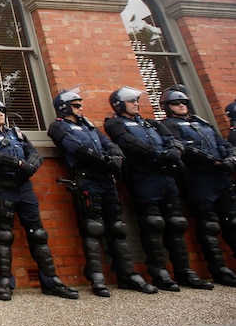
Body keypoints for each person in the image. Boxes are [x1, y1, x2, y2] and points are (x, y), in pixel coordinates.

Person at [47, 88, 157, 297]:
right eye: (76, 105)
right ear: (64, 107)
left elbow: (109, 144)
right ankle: (97, 277)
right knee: (93, 227)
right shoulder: (58, 127)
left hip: (106, 180)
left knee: (117, 227)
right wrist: (104, 161)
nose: (81, 108)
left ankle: (126, 274)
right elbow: (76, 148)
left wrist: (115, 157)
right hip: (87, 180)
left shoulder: (88, 125)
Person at [103, 86, 212, 291]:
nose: (136, 104)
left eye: (137, 101)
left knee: (177, 223)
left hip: (166, 177)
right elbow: (128, 142)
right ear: (119, 104)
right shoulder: (115, 122)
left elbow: (173, 139)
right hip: (144, 177)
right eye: (131, 101)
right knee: (153, 224)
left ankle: (184, 270)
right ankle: (159, 271)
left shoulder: (150, 123)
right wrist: (157, 154)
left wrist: (174, 151)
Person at [0, 95, 78, 301]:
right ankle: (4, 281)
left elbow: (34, 153)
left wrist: (31, 166)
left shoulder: (16, 133)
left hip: (24, 188)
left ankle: (50, 280)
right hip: (2, 188)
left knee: (38, 233)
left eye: (2, 110)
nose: (1, 113)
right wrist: (18, 164)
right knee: (3, 235)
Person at [159, 86, 236, 287]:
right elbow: (183, 148)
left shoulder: (201, 122)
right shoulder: (169, 125)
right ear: (168, 107)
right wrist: (213, 161)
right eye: (176, 103)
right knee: (208, 224)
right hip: (199, 179)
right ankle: (219, 269)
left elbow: (223, 143)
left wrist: (230, 158)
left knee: (232, 221)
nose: (181, 106)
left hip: (221, 177)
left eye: (184, 102)